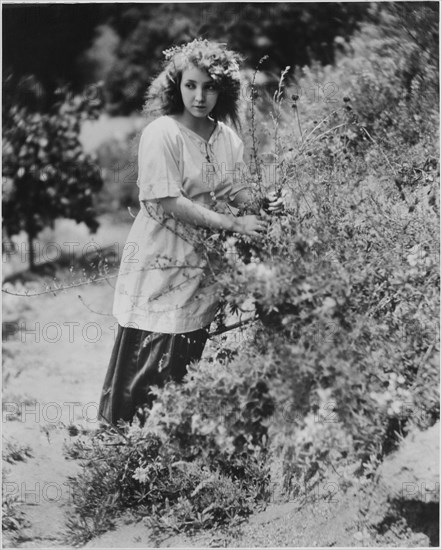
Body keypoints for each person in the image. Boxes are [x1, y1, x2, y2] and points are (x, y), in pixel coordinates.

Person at [98, 39, 283, 427]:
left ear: (224, 90)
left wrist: (260, 204)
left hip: (201, 264)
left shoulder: (226, 139)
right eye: (191, 85)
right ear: (176, 85)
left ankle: (163, 454)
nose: (200, 96)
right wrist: (235, 224)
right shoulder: (163, 133)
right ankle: (119, 451)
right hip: (160, 257)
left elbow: (232, 189)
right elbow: (168, 202)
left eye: (210, 87)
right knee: (146, 354)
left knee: (182, 359)